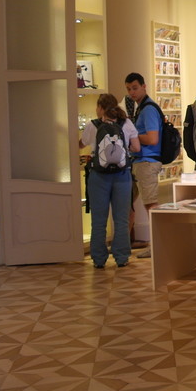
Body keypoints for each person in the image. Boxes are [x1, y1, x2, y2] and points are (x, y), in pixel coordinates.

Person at [78, 94, 141, 268]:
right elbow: (136, 147)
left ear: (100, 108)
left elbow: (81, 144)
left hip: (98, 177)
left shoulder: (92, 125)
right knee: (121, 219)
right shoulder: (126, 123)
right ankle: (121, 257)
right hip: (122, 175)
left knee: (99, 220)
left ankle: (99, 259)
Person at [125, 73, 162, 214]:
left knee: (150, 205)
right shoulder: (141, 108)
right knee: (129, 204)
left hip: (147, 161)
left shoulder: (148, 109)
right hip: (140, 160)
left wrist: (132, 136)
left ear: (143, 86)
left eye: (135, 88)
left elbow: (153, 139)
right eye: (128, 89)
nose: (131, 92)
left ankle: (157, 229)